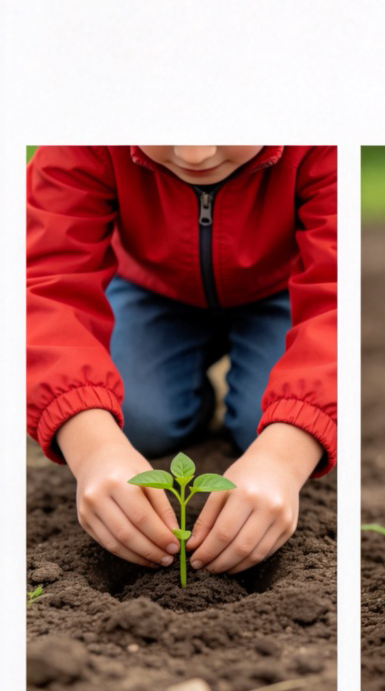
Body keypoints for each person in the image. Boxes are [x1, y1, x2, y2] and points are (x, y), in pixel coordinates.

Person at [26, 145, 337, 576]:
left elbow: (339, 302)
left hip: (284, 291)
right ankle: (191, 399)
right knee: (138, 421)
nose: (195, 153)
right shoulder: (82, 138)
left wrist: (284, 458)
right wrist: (93, 448)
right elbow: (43, 285)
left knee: (263, 427)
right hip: (152, 290)